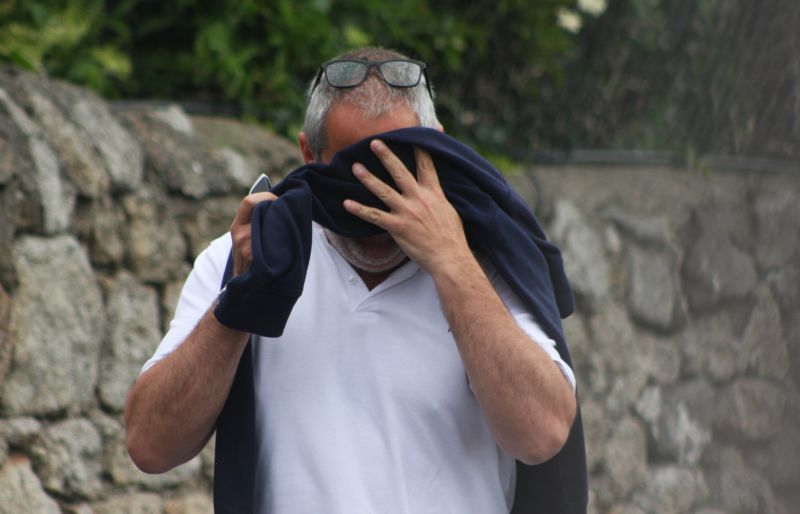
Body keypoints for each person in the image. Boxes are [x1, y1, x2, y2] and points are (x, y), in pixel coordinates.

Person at [125, 47, 585, 514]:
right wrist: (239, 303)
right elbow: (150, 446)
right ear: (309, 154)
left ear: (440, 150)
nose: (376, 207)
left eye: (397, 171)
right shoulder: (246, 257)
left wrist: (452, 262)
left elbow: (541, 435)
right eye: (354, 175)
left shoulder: (487, 263)